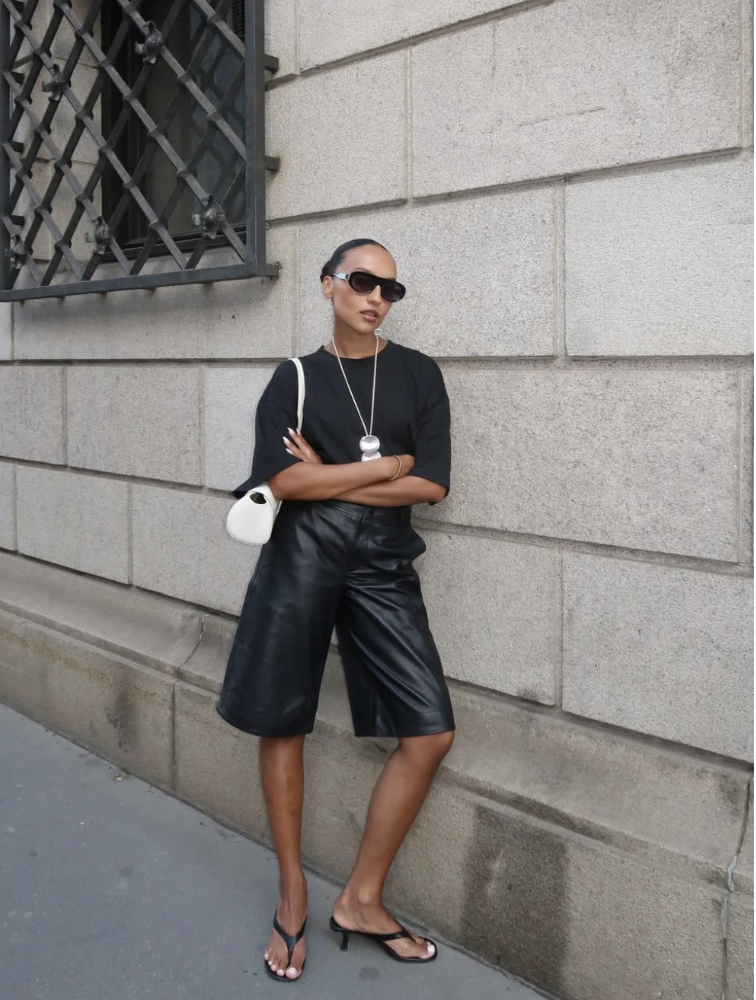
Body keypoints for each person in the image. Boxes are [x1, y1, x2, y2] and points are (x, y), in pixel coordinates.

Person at [217, 239, 455, 983]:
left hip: (383, 564)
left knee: (431, 732)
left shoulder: (418, 374)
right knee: (283, 720)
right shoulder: (295, 377)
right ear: (328, 287)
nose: (374, 295)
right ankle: (292, 895)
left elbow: (433, 488)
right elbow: (281, 482)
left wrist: (331, 476)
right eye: (360, 280)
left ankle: (360, 899)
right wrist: (380, 468)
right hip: (301, 557)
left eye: (389, 286)